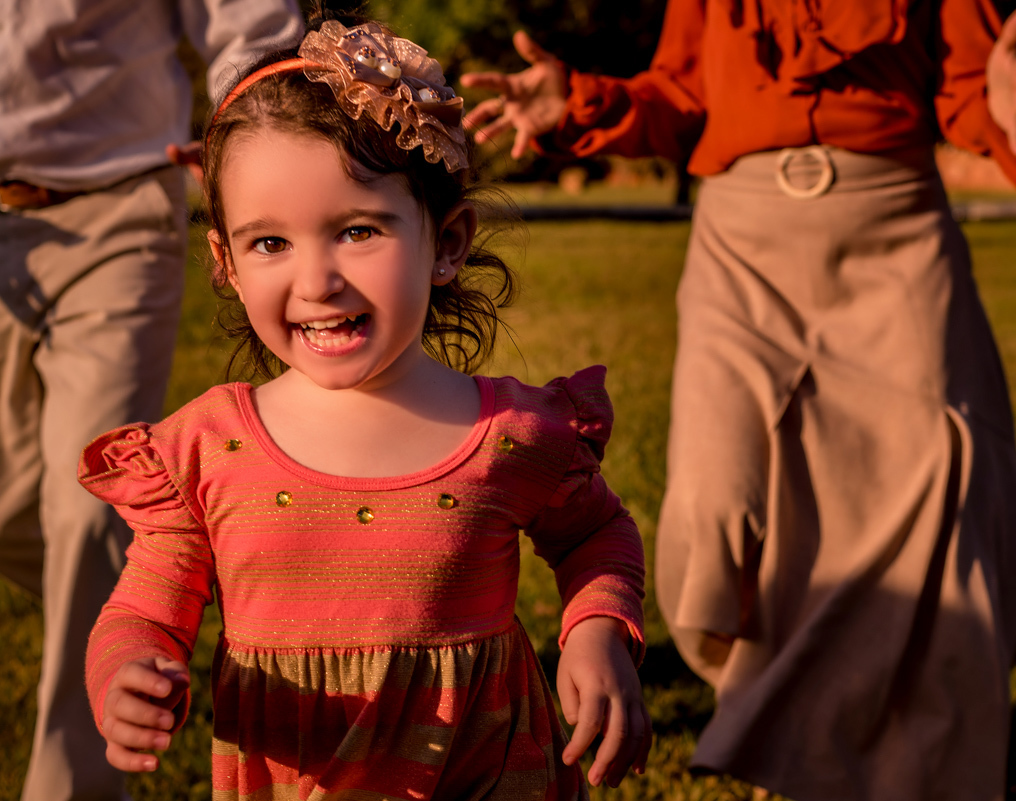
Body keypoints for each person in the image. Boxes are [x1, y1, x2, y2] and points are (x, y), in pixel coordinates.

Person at [461, 2, 1016, 799]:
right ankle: (797, 713)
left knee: (937, 486)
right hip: (742, 245)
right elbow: (681, 95)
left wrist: (1003, 103)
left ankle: (919, 765)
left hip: (896, 230)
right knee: (716, 505)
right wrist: (579, 99)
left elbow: (966, 87)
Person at [78, 14, 651, 800]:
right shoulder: (208, 448)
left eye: (356, 231)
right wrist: (127, 670)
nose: (316, 281)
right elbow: (147, 607)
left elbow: (595, 535)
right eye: (270, 243)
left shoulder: (509, 435)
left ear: (447, 242)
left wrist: (596, 632)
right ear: (227, 263)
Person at [0, 2, 302, 799]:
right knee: (16, 512)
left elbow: (252, 21)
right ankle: (174, 593)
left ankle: (76, 782)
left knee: (89, 509)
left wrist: (249, 139)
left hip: (117, 203)